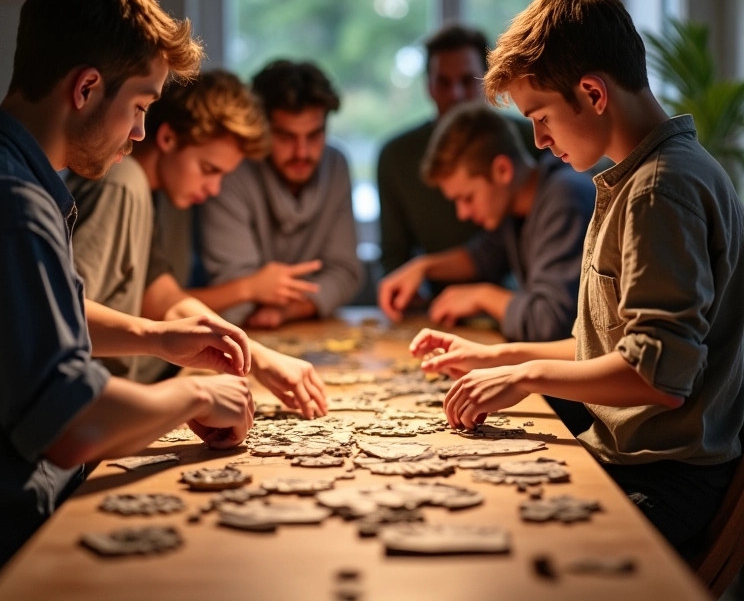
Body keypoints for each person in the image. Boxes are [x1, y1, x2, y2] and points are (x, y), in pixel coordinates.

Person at [411, 0, 744, 556]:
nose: (538, 141)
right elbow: (611, 349)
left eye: (541, 117)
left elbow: (656, 378)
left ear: (592, 94)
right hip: (632, 463)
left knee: (495, 550)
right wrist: (500, 356)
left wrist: (523, 377)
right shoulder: (639, 178)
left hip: (660, 481)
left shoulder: (660, 191)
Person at [0, 0, 256, 591]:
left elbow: (30, 313)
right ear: (86, 88)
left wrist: (157, 338)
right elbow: (72, 426)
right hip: (11, 550)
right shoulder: (13, 204)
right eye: (139, 105)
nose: (140, 131)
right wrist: (195, 394)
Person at [67, 71, 327, 415]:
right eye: (208, 169)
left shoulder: (154, 193)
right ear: (168, 138)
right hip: (95, 413)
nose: (214, 188)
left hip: (126, 397)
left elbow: (166, 299)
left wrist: (259, 358)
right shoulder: (123, 183)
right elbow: (66, 312)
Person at [378, 101, 595, 344]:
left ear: (502, 170)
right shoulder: (517, 207)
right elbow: (483, 256)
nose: (462, 213)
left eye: (467, 198)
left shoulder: (565, 198)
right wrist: (423, 267)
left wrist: (480, 296)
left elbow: (549, 323)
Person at [199, 59, 363, 329]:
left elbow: (345, 272)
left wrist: (286, 310)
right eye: (286, 137)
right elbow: (233, 287)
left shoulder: (336, 165)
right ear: (261, 128)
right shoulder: (231, 170)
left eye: (314, 135)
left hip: (306, 328)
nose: (302, 152)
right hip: (240, 332)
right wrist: (310, 295)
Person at [376, 24, 538, 287]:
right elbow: (394, 254)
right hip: (440, 304)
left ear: (488, 82)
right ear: (428, 86)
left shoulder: (534, 139)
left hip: (520, 302)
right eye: (443, 82)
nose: (456, 94)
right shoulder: (396, 156)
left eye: (467, 81)